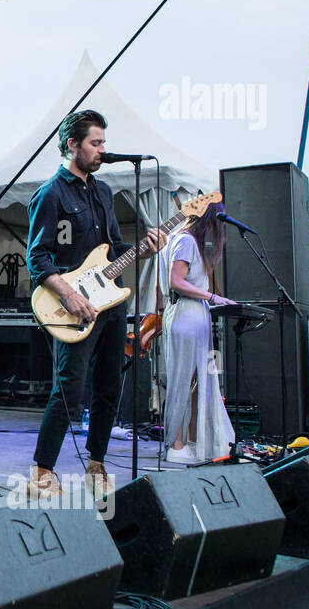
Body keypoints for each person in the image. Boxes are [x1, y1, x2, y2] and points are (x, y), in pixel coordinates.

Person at [26, 109, 162, 501]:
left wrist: (145, 248)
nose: (103, 150)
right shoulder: (51, 193)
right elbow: (38, 258)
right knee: (70, 387)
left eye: (104, 142)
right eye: (96, 143)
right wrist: (68, 294)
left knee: (109, 386)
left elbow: (114, 248)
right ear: (73, 145)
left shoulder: (103, 191)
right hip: (73, 304)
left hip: (112, 301)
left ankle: (97, 462)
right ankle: (42, 470)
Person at [162, 203, 236, 463]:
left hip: (192, 313)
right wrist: (214, 296)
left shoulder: (180, 240)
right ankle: (177, 444)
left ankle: (192, 439)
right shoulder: (185, 241)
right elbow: (176, 281)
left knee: (195, 379)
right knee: (184, 379)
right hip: (187, 313)